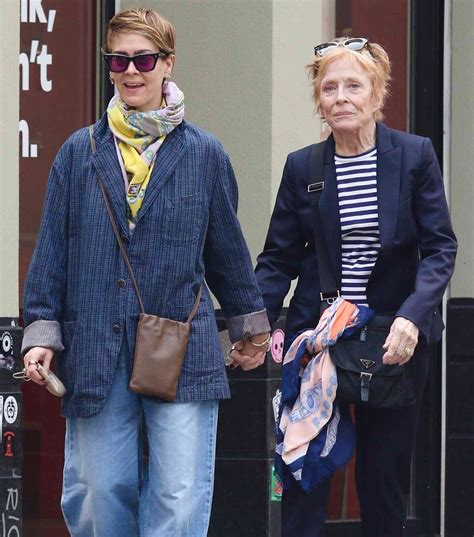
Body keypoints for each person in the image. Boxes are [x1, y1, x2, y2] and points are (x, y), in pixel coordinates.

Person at [21, 8, 270, 537]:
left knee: (179, 496)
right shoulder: (79, 152)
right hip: (95, 341)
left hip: (179, 341)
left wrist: (250, 327)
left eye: (143, 59)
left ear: (168, 63)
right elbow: (51, 252)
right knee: (97, 489)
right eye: (118, 60)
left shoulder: (204, 154)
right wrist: (40, 333)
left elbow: (227, 251)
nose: (131, 71)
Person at [255, 37, 457, 537]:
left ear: (377, 93)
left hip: (393, 339)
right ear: (318, 100)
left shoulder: (413, 156)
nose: (341, 97)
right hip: (318, 343)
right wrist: (254, 324)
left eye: (353, 85)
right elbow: (278, 257)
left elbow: (439, 248)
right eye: (329, 88)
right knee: (304, 477)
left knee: (382, 481)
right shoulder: (303, 166)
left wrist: (413, 315)